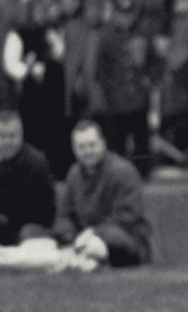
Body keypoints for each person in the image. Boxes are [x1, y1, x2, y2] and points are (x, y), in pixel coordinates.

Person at [52, 119, 152, 268]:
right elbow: (65, 215)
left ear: (103, 143)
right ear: (74, 149)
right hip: (84, 238)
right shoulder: (73, 174)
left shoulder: (123, 171)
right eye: (81, 147)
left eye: (92, 145)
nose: (87, 151)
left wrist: (94, 233)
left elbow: (127, 217)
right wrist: (69, 236)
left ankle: (88, 259)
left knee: (103, 242)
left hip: (126, 239)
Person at [0, 110, 55, 246]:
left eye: (12, 136)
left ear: (21, 135)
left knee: (27, 232)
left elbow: (45, 213)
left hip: (33, 226)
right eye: (2, 136)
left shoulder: (37, 163)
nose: (7, 141)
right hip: (4, 224)